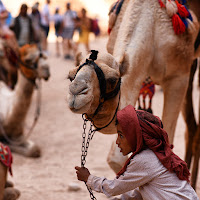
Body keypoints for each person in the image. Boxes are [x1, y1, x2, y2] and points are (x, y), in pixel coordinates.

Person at [75, 105, 199, 200]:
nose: (117, 141)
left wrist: (89, 178)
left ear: (136, 137)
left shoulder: (144, 160)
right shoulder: (155, 154)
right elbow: (141, 191)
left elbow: (114, 187)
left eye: (121, 136)